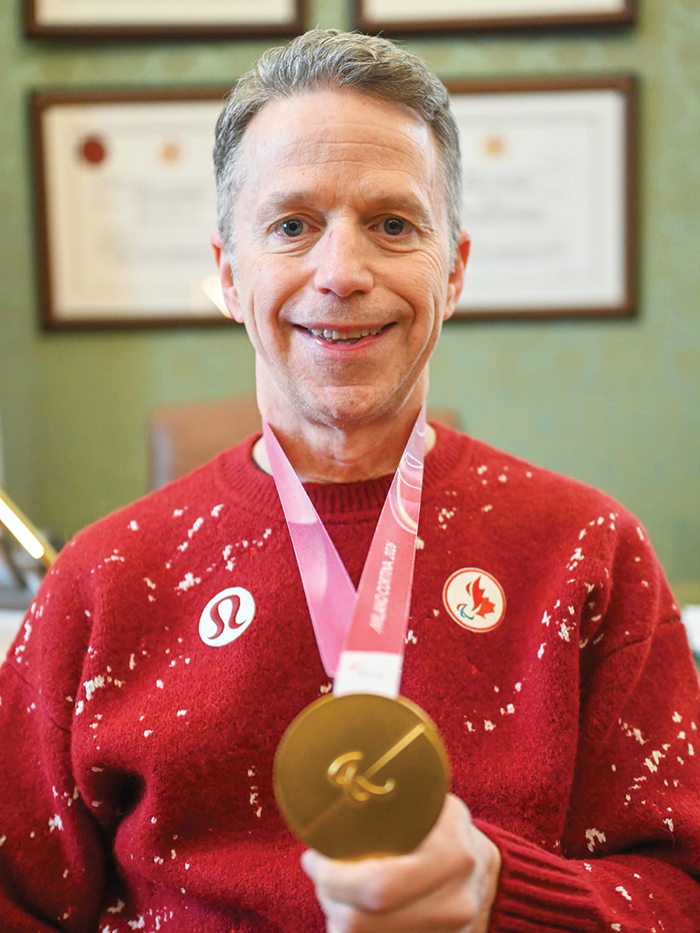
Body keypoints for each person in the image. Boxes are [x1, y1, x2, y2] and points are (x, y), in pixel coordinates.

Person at [1, 28, 698, 932]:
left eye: (393, 225)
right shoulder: (101, 580)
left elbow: (682, 889)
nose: (342, 273)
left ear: (453, 272)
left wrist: (501, 892)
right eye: (292, 226)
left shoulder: (591, 553)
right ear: (226, 272)